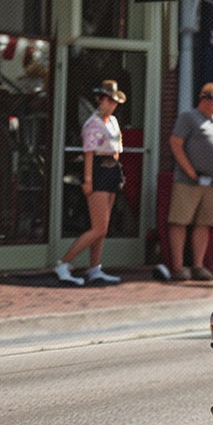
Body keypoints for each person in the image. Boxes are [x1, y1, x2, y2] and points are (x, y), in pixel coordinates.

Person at [55, 79, 127, 285]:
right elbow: (88, 153)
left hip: (112, 170)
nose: (112, 104)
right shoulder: (92, 123)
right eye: (109, 100)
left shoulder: (112, 121)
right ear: (101, 100)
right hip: (97, 171)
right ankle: (64, 263)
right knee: (98, 227)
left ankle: (94, 267)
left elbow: (117, 145)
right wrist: (88, 180)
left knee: (103, 226)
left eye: (114, 101)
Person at [162, 82, 213, 281]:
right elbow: (175, 143)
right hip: (189, 180)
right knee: (180, 221)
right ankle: (178, 266)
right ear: (200, 98)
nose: (211, 102)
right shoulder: (188, 117)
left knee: (203, 223)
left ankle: (198, 266)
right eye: (207, 98)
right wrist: (190, 171)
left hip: (210, 182)